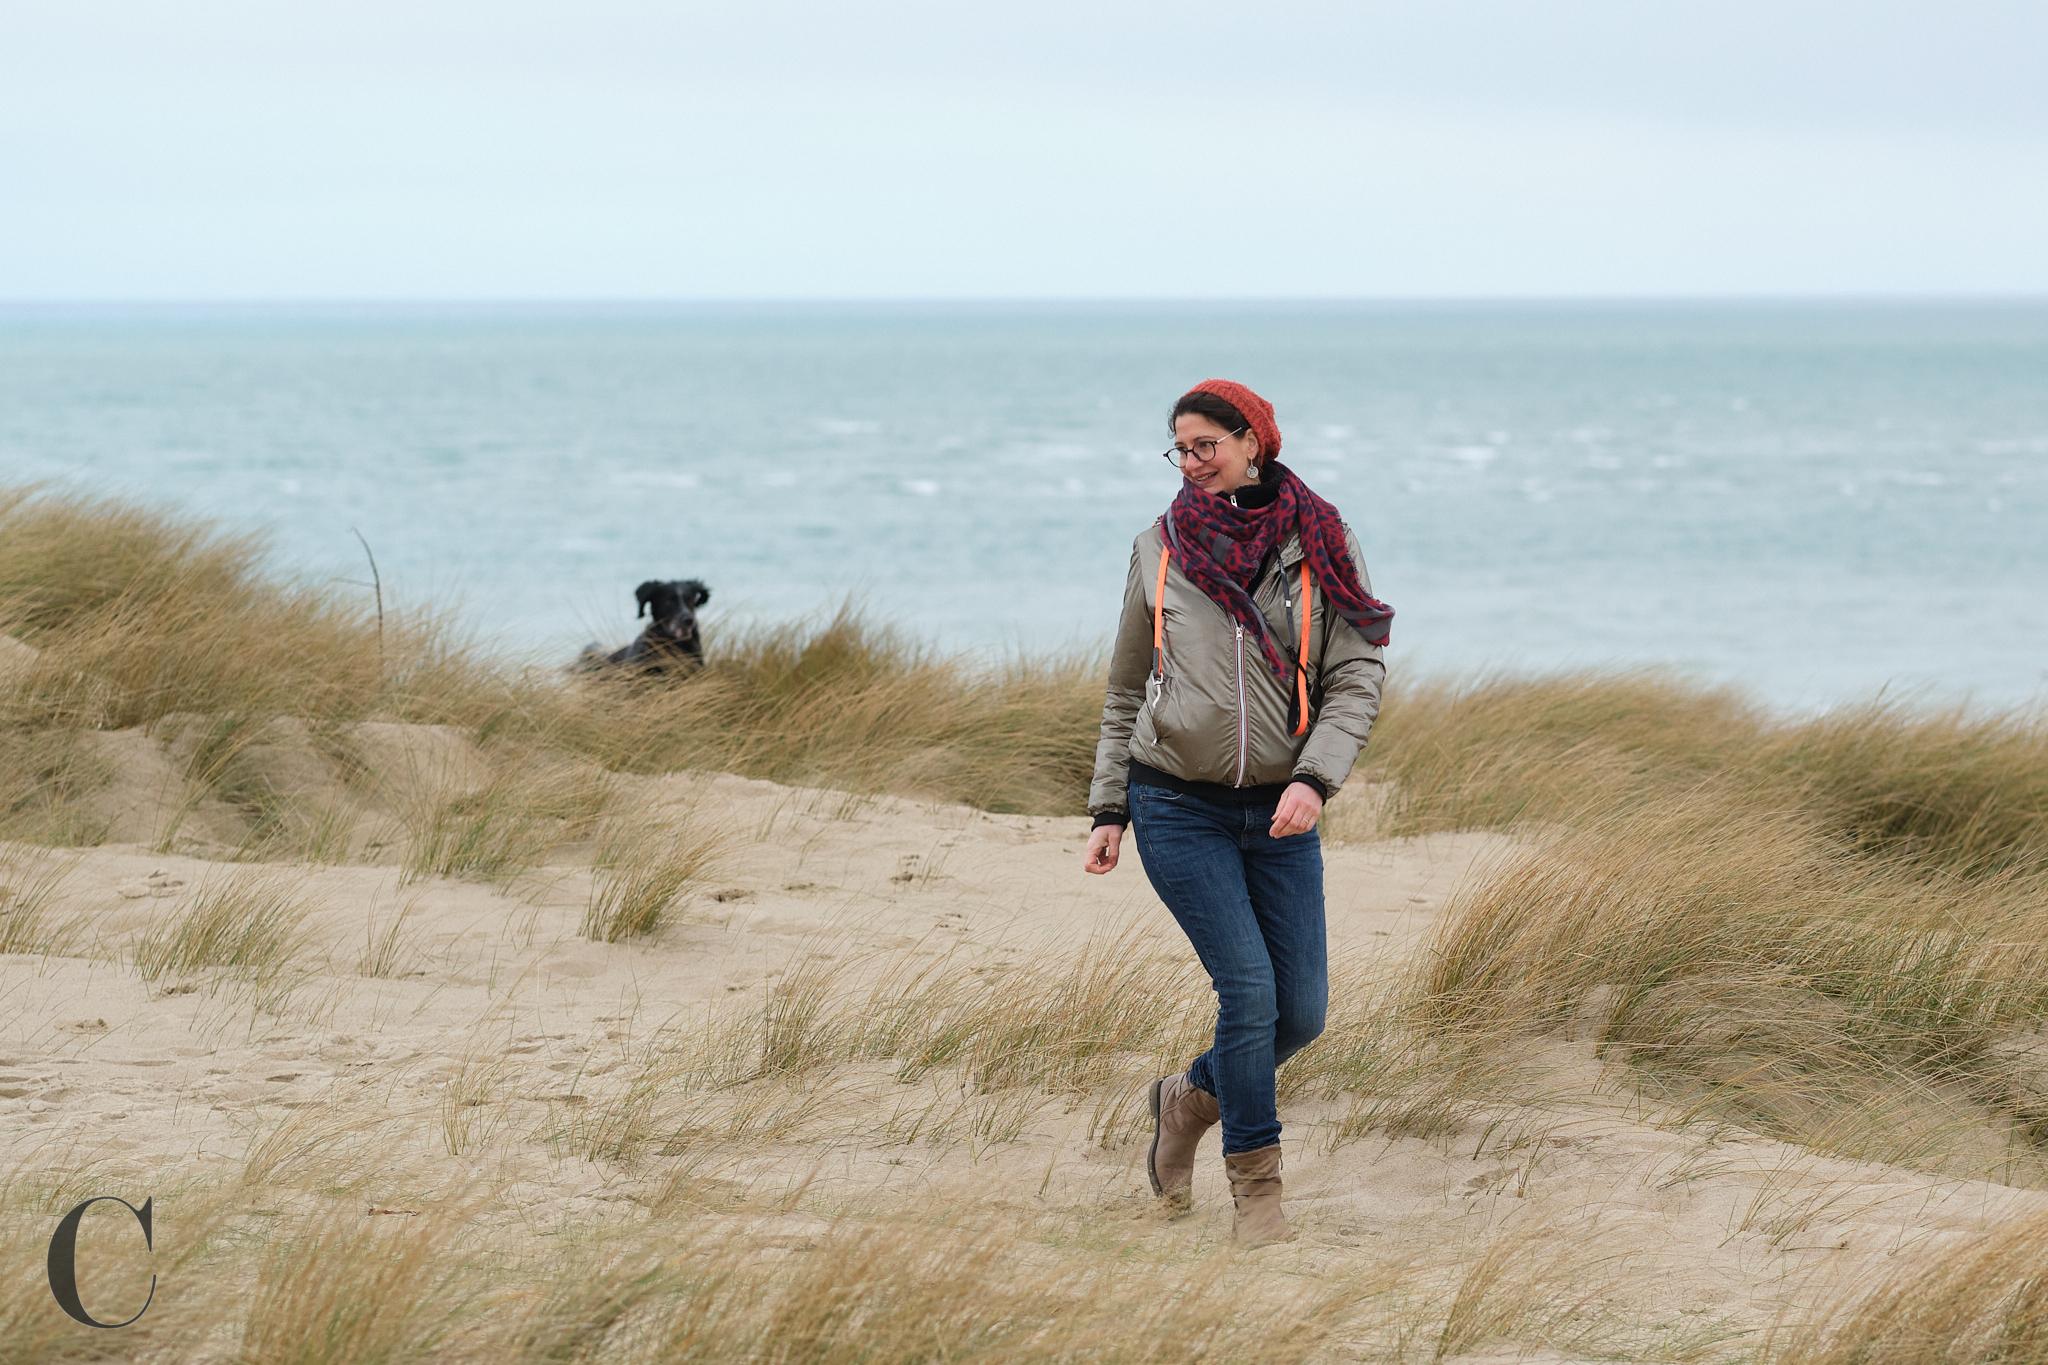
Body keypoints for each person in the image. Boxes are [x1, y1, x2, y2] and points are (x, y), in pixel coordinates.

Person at [1082, 378, 1391, 1246]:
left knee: (1302, 1012)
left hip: (1284, 810)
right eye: (1178, 448)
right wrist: (1109, 806)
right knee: (1249, 993)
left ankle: (1184, 1102)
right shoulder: (1160, 547)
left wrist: (1314, 779)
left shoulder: (1321, 540)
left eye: (1204, 445)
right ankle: (1259, 1194)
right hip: (1175, 801)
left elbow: (1357, 674)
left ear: (1254, 440)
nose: (1190, 463)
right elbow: (1123, 687)